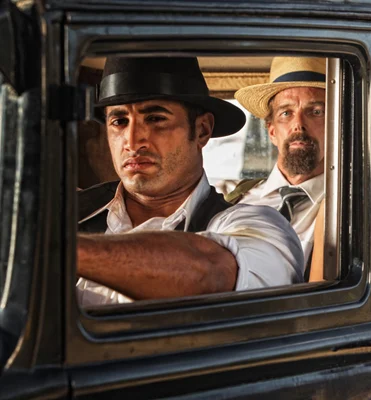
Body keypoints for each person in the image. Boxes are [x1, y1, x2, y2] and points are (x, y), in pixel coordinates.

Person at [76, 56, 304, 306]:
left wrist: (58, 250)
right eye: (119, 122)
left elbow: (210, 274)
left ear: (202, 130)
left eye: (155, 119)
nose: (132, 141)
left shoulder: (257, 226)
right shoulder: (70, 211)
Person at [230, 57, 326, 281]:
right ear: (272, 132)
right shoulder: (237, 201)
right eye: (286, 113)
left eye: (316, 112)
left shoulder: (351, 206)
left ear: (337, 124)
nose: (298, 124)